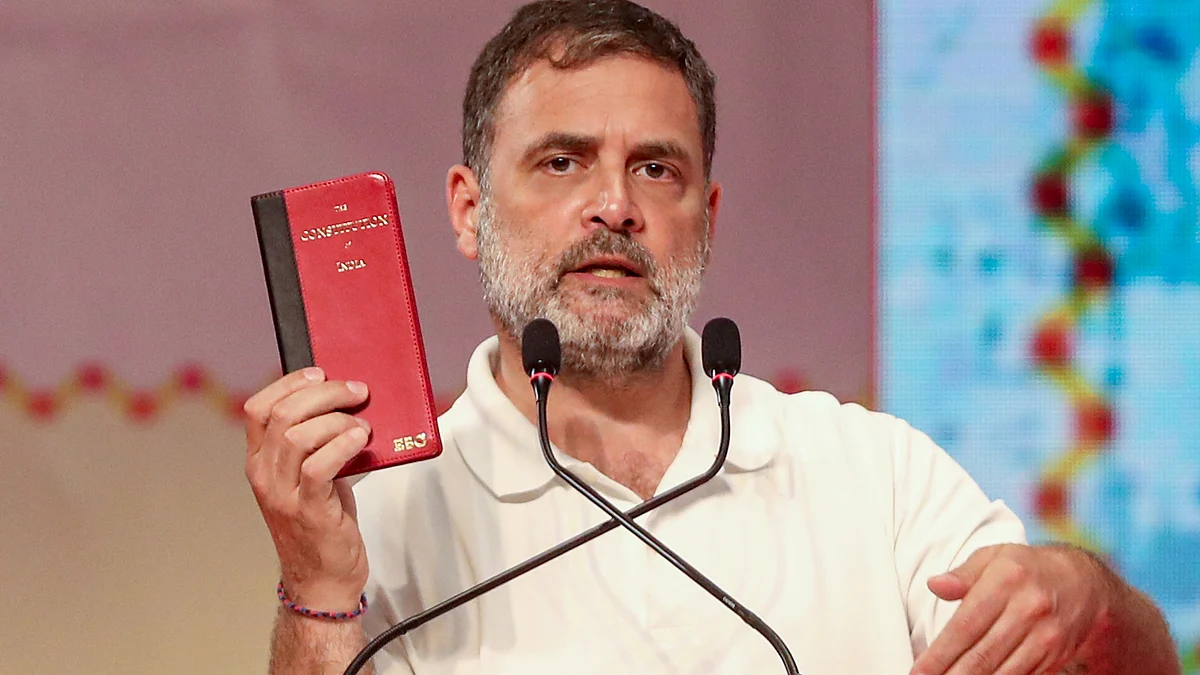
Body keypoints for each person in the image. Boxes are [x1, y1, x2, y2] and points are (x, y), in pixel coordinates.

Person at [243, 1, 1180, 673]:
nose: (614, 205)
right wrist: (318, 583)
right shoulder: (386, 513)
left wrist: (1086, 597)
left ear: (708, 215)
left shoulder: (874, 469)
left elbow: (1133, 659)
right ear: (469, 209)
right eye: (562, 161)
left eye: (656, 169)